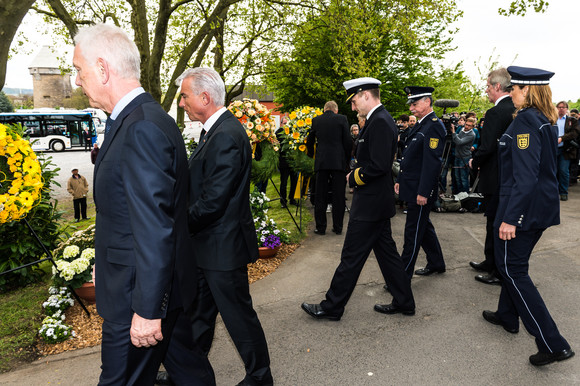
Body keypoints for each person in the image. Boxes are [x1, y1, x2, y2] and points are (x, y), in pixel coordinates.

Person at [74, 24, 212, 385]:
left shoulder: (141, 128)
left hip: (140, 296)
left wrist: (148, 310)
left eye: (79, 70)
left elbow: (154, 227)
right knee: (190, 371)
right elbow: (124, 213)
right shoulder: (142, 119)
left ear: (103, 69)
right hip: (158, 284)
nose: (76, 80)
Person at [177, 67, 273, 385]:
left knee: (239, 318)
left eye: (185, 96)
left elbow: (213, 202)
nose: (181, 103)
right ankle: (189, 371)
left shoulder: (226, 135)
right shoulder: (214, 131)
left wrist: (177, 225)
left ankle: (260, 377)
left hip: (222, 248)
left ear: (205, 98)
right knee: (200, 316)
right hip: (209, 247)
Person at [482, 66, 574, 366]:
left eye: (516, 89)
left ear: (528, 91)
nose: (512, 93)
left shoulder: (524, 122)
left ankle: (552, 343)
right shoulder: (542, 120)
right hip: (540, 208)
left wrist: (511, 218)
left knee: (512, 270)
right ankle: (507, 314)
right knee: (512, 265)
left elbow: (525, 177)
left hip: (523, 210)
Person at [301, 77, 415, 320]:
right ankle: (405, 302)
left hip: (371, 204)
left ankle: (331, 307)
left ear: (365, 95)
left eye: (354, 101)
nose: (353, 108)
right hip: (375, 202)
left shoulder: (381, 122)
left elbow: (379, 165)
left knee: (351, 257)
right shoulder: (377, 120)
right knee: (388, 256)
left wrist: (354, 177)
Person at [469, 68, 515, 286]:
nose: (486, 90)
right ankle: (490, 261)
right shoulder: (514, 108)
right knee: (492, 221)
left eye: (488, 86)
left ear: (497, 86)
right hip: (506, 177)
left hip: (495, 176)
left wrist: (474, 161)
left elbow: (487, 147)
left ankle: (497, 269)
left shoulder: (496, 112)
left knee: (495, 223)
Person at [396, 86, 446, 278]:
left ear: (427, 102)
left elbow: (432, 164)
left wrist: (424, 192)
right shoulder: (421, 124)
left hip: (420, 189)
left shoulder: (433, 125)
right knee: (423, 227)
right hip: (412, 185)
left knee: (412, 234)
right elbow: (409, 155)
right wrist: (400, 179)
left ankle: (401, 278)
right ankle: (436, 262)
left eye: (415, 104)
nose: (411, 109)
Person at [306, 100, 352, 235]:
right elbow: (347, 141)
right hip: (338, 162)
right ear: (336, 110)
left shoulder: (316, 120)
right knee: (338, 195)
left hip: (322, 161)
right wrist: (346, 159)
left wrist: (311, 154)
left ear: (324, 109)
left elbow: (310, 140)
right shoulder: (342, 119)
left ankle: (320, 227)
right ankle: (338, 227)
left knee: (320, 194)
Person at [555, 101, 580, 200]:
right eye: (559, 107)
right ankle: (554, 191)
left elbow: (575, 133)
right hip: (553, 149)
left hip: (566, 150)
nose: (561, 109)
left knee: (563, 170)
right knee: (553, 171)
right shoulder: (552, 119)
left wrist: (562, 138)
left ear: (566, 109)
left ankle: (563, 192)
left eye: (563, 107)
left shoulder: (572, 120)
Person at [276, 115, 298, 208]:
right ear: (281, 123)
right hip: (283, 161)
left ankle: (292, 198)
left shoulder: (294, 132)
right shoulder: (278, 133)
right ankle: (283, 201)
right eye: (284, 123)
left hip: (293, 161)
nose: (286, 125)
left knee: (294, 181)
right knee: (283, 182)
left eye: (287, 123)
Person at [451, 117, 475, 193]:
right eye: (466, 124)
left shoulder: (471, 134)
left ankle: (465, 197)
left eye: (469, 126)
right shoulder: (462, 130)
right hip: (457, 156)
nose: (467, 127)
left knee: (463, 179)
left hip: (465, 158)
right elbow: (455, 140)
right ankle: (459, 194)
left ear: (472, 127)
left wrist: (454, 132)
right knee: (457, 178)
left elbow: (459, 142)